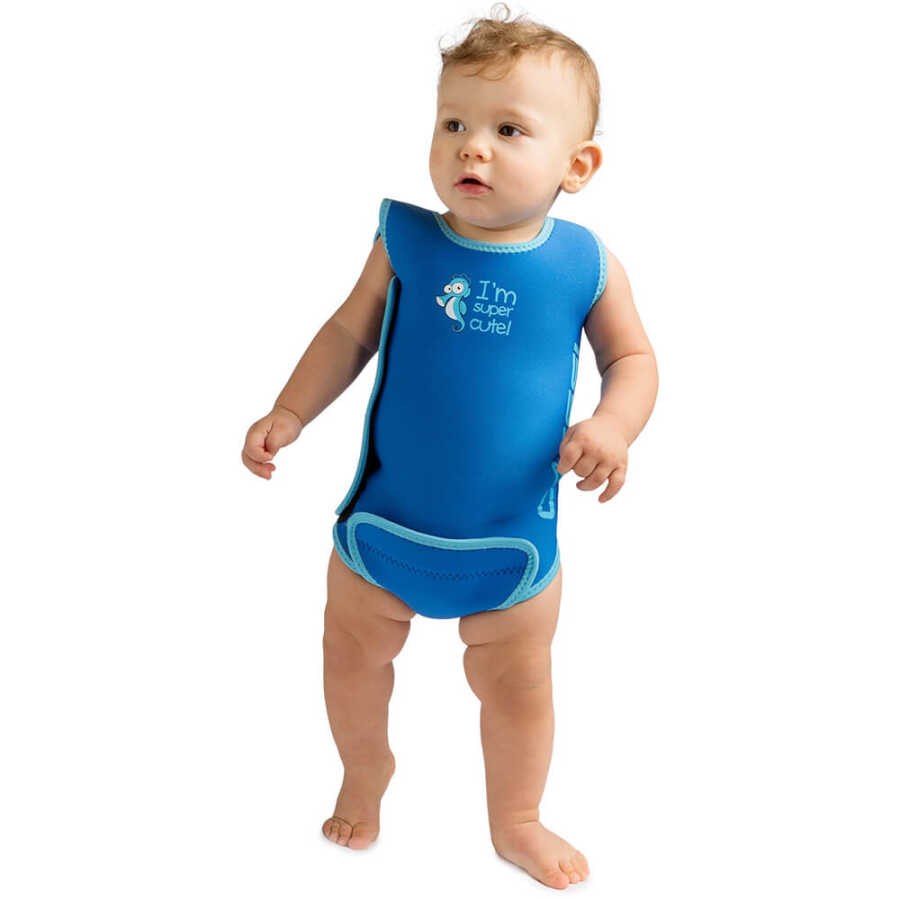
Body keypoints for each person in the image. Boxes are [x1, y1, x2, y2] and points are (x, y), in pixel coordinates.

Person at [241, 4, 657, 890]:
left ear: (577, 165)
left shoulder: (585, 265)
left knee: (519, 690)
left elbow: (633, 360)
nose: (473, 148)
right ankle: (365, 771)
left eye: (509, 130)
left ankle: (516, 817)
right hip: (383, 532)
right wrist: (289, 411)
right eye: (454, 123)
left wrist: (613, 425)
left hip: (511, 548)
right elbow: (348, 333)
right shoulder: (406, 242)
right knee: (349, 660)